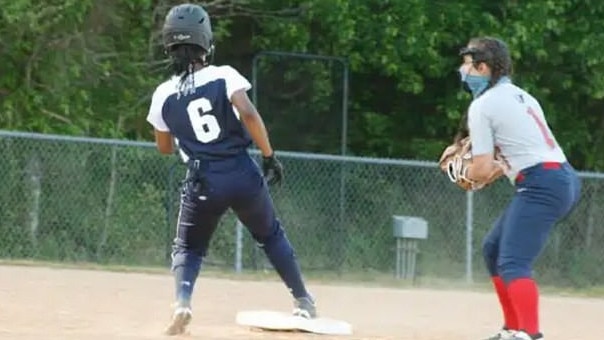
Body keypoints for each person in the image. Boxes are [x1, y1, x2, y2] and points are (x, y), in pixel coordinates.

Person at [146, 3, 316, 336]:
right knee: (270, 236)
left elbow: (164, 147)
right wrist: (269, 155)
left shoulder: (163, 94)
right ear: (206, 43)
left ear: (169, 46)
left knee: (188, 248)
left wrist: (185, 138)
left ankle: (182, 302)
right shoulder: (224, 75)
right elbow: (249, 114)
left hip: (203, 180)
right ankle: (303, 301)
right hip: (241, 172)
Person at [451, 37, 582, 340]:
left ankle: (531, 334)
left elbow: (482, 169)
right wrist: (485, 169)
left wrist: (461, 171)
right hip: (556, 177)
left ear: (482, 67)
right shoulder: (520, 96)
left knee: (513, 261)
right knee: (494, 249)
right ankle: (513, 329)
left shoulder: (483, 105)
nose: (462, 69)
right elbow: (509, 159)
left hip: (543, 183)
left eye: (467, 63)